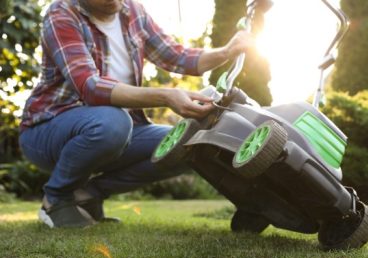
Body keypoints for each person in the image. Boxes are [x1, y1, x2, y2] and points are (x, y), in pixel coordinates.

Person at [19, 0, 254, 228]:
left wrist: (226, 51)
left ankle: (88, 195)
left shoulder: (133, 11)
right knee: (113, 123)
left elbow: (178, 57)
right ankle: (56, 199)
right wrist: (165, 96)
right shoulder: (62, 13)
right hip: (48, 129)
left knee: (190, 145)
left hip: (122, 129)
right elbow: (90, 86)